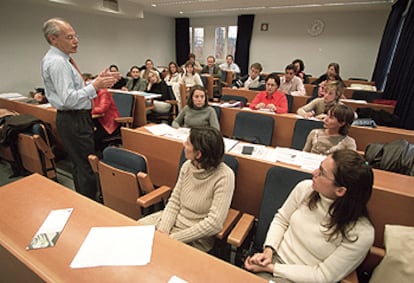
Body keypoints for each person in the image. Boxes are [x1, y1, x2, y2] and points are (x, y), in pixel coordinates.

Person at [245, 149, 374, 283]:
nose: (314, 173)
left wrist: (272, 269)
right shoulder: (305, 189)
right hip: (273, 262)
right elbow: (281, 219)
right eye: (319, 167)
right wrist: (268, 251)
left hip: (302, 279)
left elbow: (323, 276)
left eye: (322, 173)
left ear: (340, 190)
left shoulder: (361, 232)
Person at [41, 17, 120, 200]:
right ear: (53, 39)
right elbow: (68, 99)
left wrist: (95, 82)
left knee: (80, 163)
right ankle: (90, 203)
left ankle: (84, 199)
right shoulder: (58, 63)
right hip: (73, 118)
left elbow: (74, 91)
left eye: (76, 36)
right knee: (85, 165)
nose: (76, 41)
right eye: (69, 37)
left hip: (74, 117)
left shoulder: (61, 60)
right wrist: (95, 86)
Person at [138, 126, 235, 252]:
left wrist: (173, 238)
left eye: (188, 143)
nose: (183, 144)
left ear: (198, 154)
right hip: (172, 223)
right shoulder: (187, 166)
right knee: (134, 232)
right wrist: (163, 230)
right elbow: (175, 201)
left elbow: (214, 224)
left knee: (157, 255)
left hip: (194, 237)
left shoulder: (225, 176)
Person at [91, 88, 120, 152]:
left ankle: (96, 157)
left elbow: (102, 109)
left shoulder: (104, 93)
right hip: (99, 121)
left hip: (109, 124)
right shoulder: (92, 94)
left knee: (90, 137)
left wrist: (89, 110)